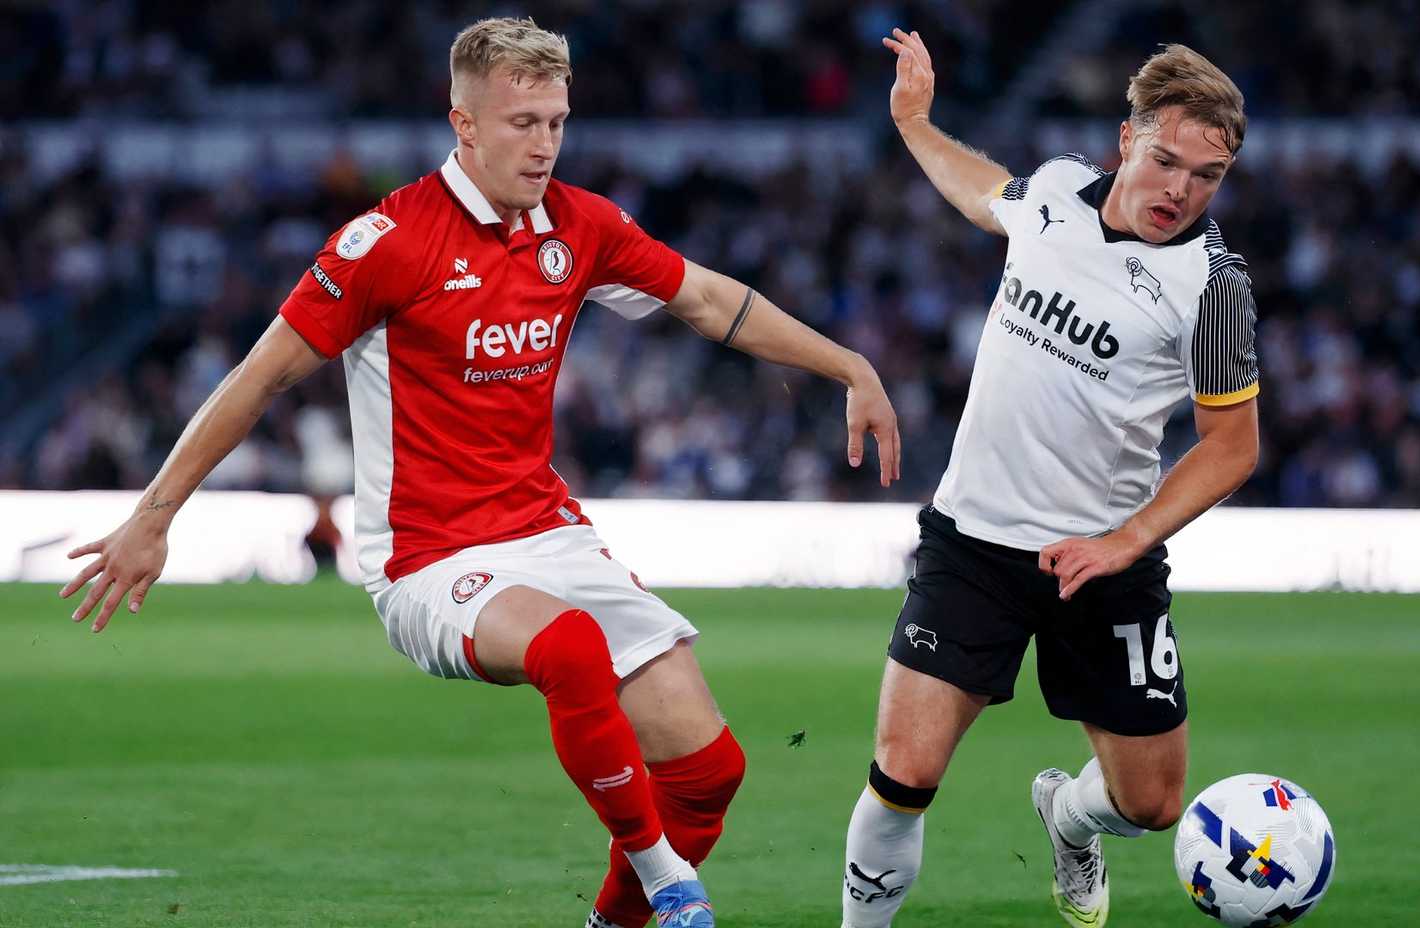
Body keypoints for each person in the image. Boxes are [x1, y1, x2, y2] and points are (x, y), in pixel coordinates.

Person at [57, 17, 900, 928]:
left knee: (708, 770)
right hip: (425, 557)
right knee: (571, 648)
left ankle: (614, 919)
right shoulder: (385, 242)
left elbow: (704, 297)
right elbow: (259, 377)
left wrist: (847, 364)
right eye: (521, 123)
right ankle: (665, 879)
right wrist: (155, 513)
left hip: (545, 528)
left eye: (557, 122)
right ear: (462, 124)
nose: (543, 145)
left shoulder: (579, 225)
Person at [841, 32, 1257, 928]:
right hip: (974, 541)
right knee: (902, 771)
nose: (1180, 190)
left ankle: (1070, 818)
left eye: (1208, 175)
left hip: (1104, 560)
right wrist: (915, 123)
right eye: (1166, 160)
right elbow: (986, 194)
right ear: (1124, 142)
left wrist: (1125, 543)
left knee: (1151, 804)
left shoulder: (1215, 289)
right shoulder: (1060, 189)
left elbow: (1231, 447)